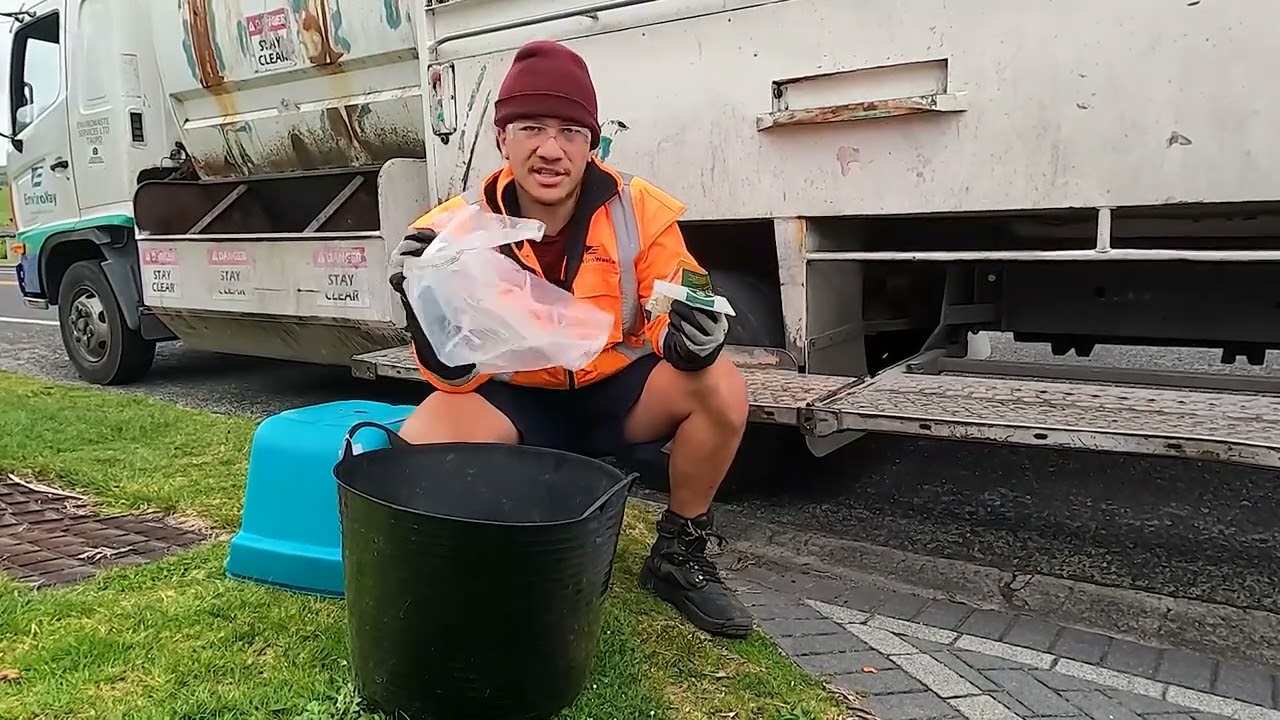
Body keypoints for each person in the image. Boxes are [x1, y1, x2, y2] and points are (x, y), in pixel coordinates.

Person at [387, 40, 753, 638]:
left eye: (570, 131)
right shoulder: (445, 233)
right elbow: (454, 375)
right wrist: (424, 316)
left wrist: (694, 340)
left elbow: (680, 298)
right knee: (421, 441)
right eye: (531, 127)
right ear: (502, 139)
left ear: (594, 141)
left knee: (721, 385)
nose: (551, 149)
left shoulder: (642, 210)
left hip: (617, 391)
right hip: (518, 399)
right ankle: (473, 561)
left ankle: (678, 557)